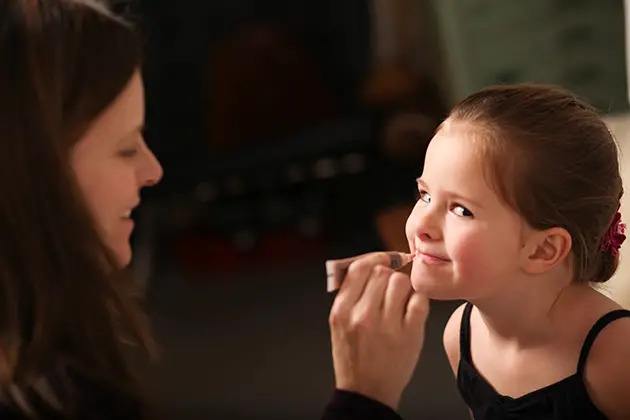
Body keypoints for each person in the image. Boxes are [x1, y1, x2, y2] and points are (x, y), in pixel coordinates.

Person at [0, 0, 429, 418]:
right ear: (37, 172)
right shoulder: (40, 392)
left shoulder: (56, 346)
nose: (152, 171)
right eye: (126, 148)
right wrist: (365, 397)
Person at [405, 85, 630, 419]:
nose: (420, 224)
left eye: (461, 210)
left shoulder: (617, 358)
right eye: (425, 195)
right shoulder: (459, 335)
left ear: (542, 250)